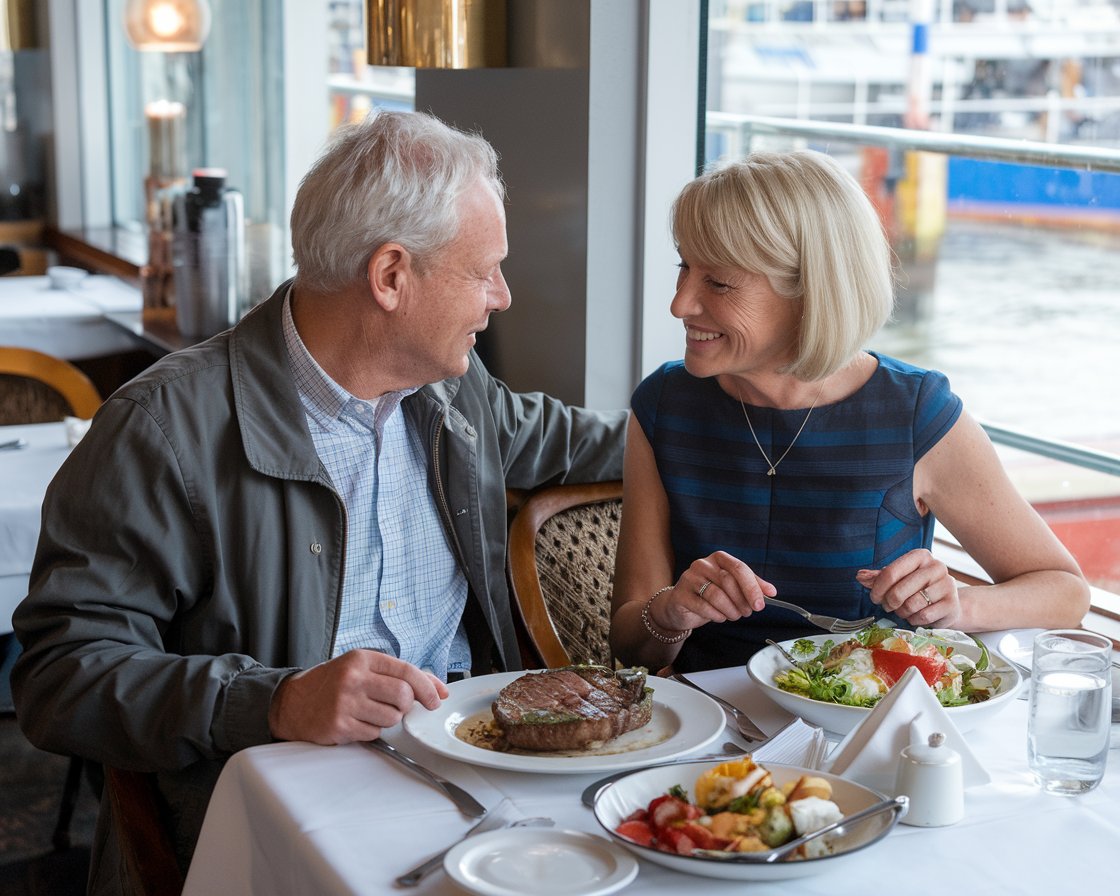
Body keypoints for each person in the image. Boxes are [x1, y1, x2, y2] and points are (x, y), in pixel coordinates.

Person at [12, 110, 626, 891]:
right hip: (274, 815)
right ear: (392, 276)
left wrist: (764, 400)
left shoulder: (453, 392)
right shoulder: (161, 431)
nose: (502, 296)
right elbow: (59, 676)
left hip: (478, 782)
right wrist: (270, 702)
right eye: (484, 272)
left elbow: (588, 441)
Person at [609, 149, 1090, 674]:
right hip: (714, 734)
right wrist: (672, 612)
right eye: (684, 267)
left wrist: (959, 604)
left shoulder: (915, 414)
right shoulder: (663, 406)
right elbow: (631, 646)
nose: (680, 304)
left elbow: (1065, 592)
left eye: (718, 282)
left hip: (865, 725)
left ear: (810, 291)